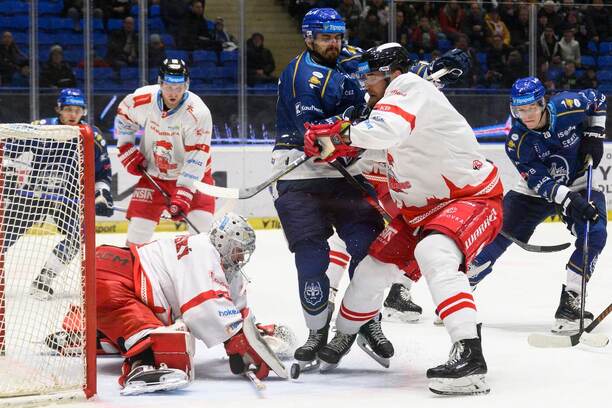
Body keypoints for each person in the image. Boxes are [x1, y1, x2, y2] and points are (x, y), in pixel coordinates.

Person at [303, 43, 503, 395]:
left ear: (393, 74)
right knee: (368, 275)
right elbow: (369, 147)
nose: (366, 84)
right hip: (417, 214)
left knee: (435, 254)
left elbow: (386, 130)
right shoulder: (391, 104)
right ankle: (344, 335)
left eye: (372, 76)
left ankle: (471, 354)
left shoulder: (409, 88)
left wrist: (341, 134)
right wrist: (331, 148)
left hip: (469, 198)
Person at [273, 8, 387, 371]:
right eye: (326, 37)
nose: (334, 43)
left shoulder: (351, 59)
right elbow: (315, 135)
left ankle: (367, 320)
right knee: (311, 258)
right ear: (309, 38)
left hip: (345, 173)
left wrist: (431, 72)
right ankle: (316, 332)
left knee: (369, 250)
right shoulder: (301, 74)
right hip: (300, 174)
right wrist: (355, 122)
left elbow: (389, 76)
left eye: (337, 36)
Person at [469, 77, 607, 334]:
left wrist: (594, 134)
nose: (527, 115)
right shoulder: (517, 141)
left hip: (576, 182)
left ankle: (570, 303)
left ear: (543, 103)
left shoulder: (569, 105)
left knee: (594, 231)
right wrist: (570, 199)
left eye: (532, 107)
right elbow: (539, 182)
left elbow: (598, 100)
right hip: (533, 193)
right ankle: (461, 295)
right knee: (498, 235)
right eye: (520, 109)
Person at [0, 88, 113, 300]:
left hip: (67, 200)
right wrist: (8, 176)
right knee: (3, 236)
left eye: (77, 110)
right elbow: (8, 149)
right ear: (58, 109)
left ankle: (44, 279)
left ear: (84, 112)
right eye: (68, 109)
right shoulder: (40, 129)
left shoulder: (92, 136)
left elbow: (103, 173)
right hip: (32, 197)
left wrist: (101, 195)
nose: (73, 114)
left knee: (77, 237)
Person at [114, 58, 215, 245]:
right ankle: (133, 274)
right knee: (137, 238)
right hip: (154, 176)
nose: (173, 93)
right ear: (160, 83)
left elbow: (197, 158)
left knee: (202, 239)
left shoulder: (198, 113)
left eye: (178, 87)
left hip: (196, 178)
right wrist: (126, 147)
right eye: (168, 87)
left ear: (187, 85)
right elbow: (124, 115)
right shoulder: (142, 99)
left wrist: (183, 193)